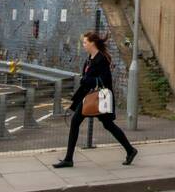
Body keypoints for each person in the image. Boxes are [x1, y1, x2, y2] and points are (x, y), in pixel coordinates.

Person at [54, 31, 137, 168]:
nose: (83, 45)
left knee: (79, 122)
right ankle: (130, 150)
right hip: (91, 96)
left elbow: (105, 79)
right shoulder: (90, 58)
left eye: (85, 42)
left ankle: (69, 159)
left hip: (98, 98)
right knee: (106, 124)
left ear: (92, 43)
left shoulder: (101, 59)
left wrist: (88, 79)